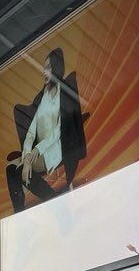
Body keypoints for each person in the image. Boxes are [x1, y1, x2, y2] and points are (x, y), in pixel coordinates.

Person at [5, 47, 87, 213]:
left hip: (56, 148)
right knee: (10, 169)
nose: (44, 71)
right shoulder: (43, 96)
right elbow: (31, 132)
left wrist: (34, 152)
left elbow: (59, 131)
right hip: (39, 151)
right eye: (44, 68)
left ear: (56, 68)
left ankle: (53, 201)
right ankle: (20, 212)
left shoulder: (63, 93)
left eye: (48, 67)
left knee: (20, 171)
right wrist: (27, 155)